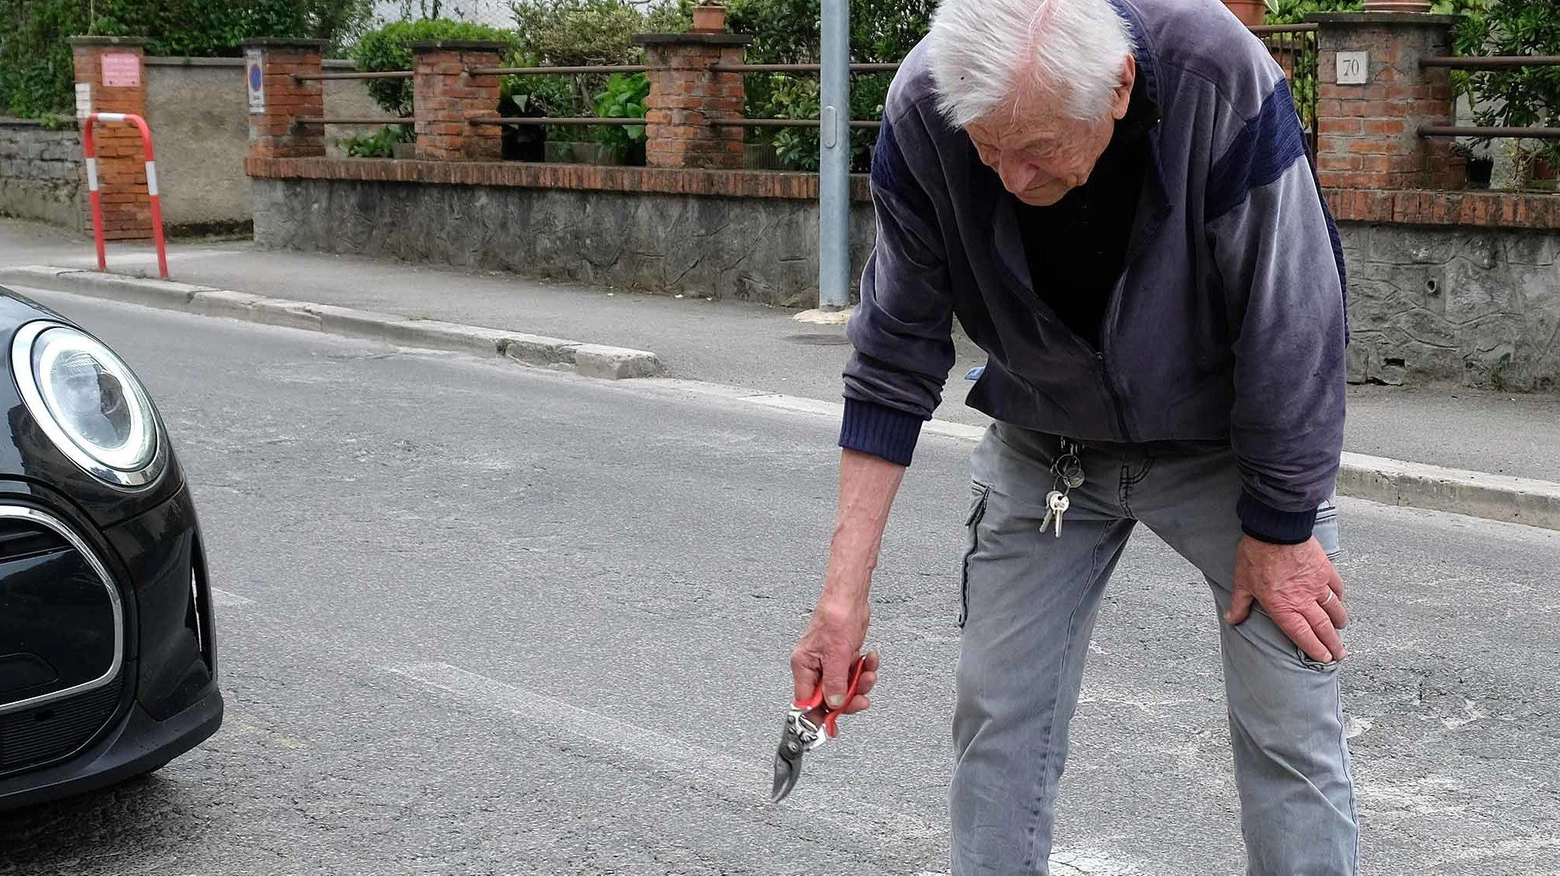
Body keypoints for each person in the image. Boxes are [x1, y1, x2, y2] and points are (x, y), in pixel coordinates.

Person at [786, 0, 1355, 873]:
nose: (1010, 179)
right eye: (987, 147)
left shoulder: (1218, 77)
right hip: (1044, 441)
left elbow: (1296, 324)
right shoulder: (923, 107)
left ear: (1120, 87)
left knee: (1289, 728)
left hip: (1230, 453)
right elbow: (893, 357)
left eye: (1040, 148)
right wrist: (841, 598)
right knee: (997, 719)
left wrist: (1281, 532)